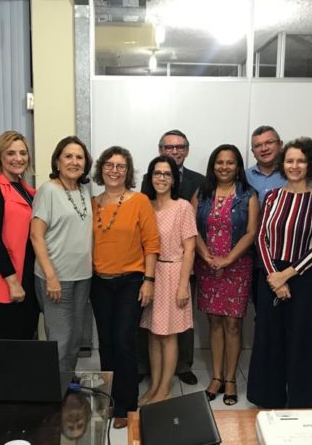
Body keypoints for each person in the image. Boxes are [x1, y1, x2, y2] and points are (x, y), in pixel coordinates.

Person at [247, 137, 312, 409]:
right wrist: (274, 275)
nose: (295, 166)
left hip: (304, 278)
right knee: (269, 339)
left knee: (300, 342)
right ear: (283, 164)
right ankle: (268, 399)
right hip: (270, 276)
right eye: (290, 160)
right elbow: (261, 237)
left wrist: (287, 275)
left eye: (301, 161)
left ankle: (300, 404)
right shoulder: (272, 197)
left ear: (310, 164)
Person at [91, 146, 160, 429]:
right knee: (105, 344)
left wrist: (149, 280)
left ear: (128, 171)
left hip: (131, 281)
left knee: (123, 341)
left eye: (120, 166)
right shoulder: (92, 203)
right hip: (99, 283)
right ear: (101, 169)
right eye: (109, 165)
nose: (114, 170)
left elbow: (152, 243)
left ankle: (126, 406)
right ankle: (107, 399)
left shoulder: (139, 201)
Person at [193, 144, 258, 406]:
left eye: (230, 162)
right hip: (207, 265)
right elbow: (191, 229)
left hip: (237, 267)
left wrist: (228, 259)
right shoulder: (202, 193)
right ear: (213, 165)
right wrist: (208, 257)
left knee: (232, 324)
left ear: (238, 166)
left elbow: (251, 232)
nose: (224, 167)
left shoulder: (248, 195)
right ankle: (216, 377)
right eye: (219, 162)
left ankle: (230, 379)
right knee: (214, 322)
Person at [140, 129, 205, 385]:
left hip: (173, 275)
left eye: (167, 174)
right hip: (150, 275)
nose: (162, 178)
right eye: (157, 173)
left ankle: (164, 387)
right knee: (152, 333)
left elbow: (190, 248)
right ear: (150, 177)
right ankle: (155, 384)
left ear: (174, 179)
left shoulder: (183, 207)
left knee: (169, 335)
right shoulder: (145, 205)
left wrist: (182, 285)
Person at [31, 136, 93, 372]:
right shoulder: (47, 191)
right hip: (56, 278)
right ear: (57, 161)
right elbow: (36, 236)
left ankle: (67, 384)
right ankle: (53, 389)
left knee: (75, 339)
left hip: (82, 277)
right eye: (68, 156)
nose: (74, 162)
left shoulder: (84, 191)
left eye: (79, 157)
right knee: (60, 341)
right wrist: (51, 277)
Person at [0, 131, 39, 339]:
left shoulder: (26, 190)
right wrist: (12, 282)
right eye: (11, 153)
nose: (18, 158)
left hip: (26, 274)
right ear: (0, 156)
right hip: (6, 277)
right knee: (10, 340)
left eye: (23, 153)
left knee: (26, 336)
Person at [246, 125, 287, 310]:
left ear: (280, 144)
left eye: (269, 142)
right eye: (258, 145)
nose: (264, 148)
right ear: (253, 151)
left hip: (287, 257)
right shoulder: (243, 177)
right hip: (254, 258)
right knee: (262, 313)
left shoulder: (294, 172)